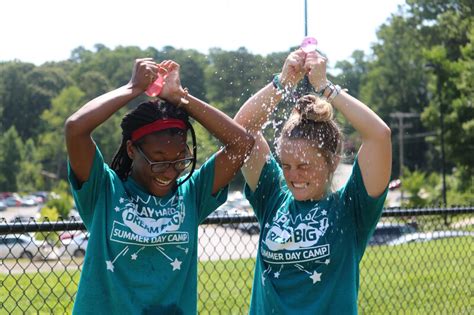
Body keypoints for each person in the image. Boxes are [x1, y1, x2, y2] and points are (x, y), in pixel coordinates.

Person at [65, 58, 254, 314]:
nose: (171, 170)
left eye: (180, 160)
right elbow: (75, 128)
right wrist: (132, 88)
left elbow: (242, 143)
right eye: (159, 160)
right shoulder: (104, 190)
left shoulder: (191, 195)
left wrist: (180, 98)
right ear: (132, 150)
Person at [234, 49, 392, 314]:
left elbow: (379, 135)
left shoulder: (351, 207)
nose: (293, 175)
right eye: (286, 165)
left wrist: (325, 87)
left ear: (331, 161)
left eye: (304, 166)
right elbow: (242, 130)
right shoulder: (272, 197)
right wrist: (282, 83)